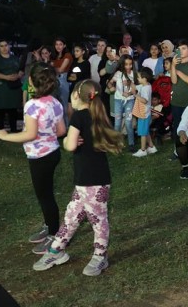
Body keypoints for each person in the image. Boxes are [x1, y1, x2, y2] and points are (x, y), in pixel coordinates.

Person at [32, 79, 123, 276]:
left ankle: (100, 256)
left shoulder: (79, 117)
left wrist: (66, 140)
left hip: (92, 182)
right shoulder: (98, 114)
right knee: (71, 217)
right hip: (88, 181)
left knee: (98, 220)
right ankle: (56, 251)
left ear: (75, 96)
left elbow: (71, 145)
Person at [0, 62, 66, 254]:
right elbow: (61, 130)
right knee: (46, 193)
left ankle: (54, 234)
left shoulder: (32, 106)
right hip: (53, 153)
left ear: (32, 82)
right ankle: (49, 225)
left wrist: (5, 136)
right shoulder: (55, 102)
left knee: (45, 196)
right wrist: (46, 134)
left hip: (40, 157)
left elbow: (30, 134)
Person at [170, 39, 188, 147]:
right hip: (176, 100)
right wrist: (173, 66)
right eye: (179, 49)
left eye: (183, 48)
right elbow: (174, 81)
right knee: (178, 126)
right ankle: (178, 149)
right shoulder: (175, 64)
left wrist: (177, 71)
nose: (181, 51)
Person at [0, 40, 23, 132]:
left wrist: (18, 75)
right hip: (0, 87)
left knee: (13, 108)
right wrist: (6, 77)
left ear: (9, 46)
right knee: (0, 108)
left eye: (6, 45)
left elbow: (21, 69)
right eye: (2, 46)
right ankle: (0, 130)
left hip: (14, 87)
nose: (4, 48)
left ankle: (13, 129)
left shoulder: (15, 58)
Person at [108, 54, 137, 151]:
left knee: (128, 122)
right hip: (118, 100)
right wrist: (111, 87)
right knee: (117, 123)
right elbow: (109, 82)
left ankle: (131, 144)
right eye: (126, 64)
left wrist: (130, 88)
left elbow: (136, 89)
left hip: (130, 100)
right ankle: (116, 143)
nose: (128, 67)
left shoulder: (134, 74)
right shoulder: (118, 73)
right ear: (122, 64)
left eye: (130, 64)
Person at [132, 67, 158, 157]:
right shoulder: (145, 85)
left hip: (144, 113)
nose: (137, 79)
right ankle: (151, 147)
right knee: (145, 130)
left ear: (145, 78)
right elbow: (135, 87)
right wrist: (130, 83)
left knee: (143, 133)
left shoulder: (146, 89)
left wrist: (136, 95)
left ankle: (143, 150)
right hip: (144, 113)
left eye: (139, 77)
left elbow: (145, 100)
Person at [67, 43, 92, 119]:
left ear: (83, 52)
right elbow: (68, 77)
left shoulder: (86, 63)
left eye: (77, 51)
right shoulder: (74, 63)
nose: (75, 53)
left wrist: (75, 77)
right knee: (70, 110)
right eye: (74, 51)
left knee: (80, 110)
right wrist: (74, 77)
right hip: (73, 88)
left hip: (81, 89)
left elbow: (84, 77)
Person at [53, 37, 73, 124]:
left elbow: (61, 69)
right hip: (55, 79)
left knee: (64, 104)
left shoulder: (67, 55)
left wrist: (52, 67)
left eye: (60, 44)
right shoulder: (55, 56)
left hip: (63, 79)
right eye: (56, 44)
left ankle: (67, 126)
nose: (58, 46)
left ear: (64, 45)